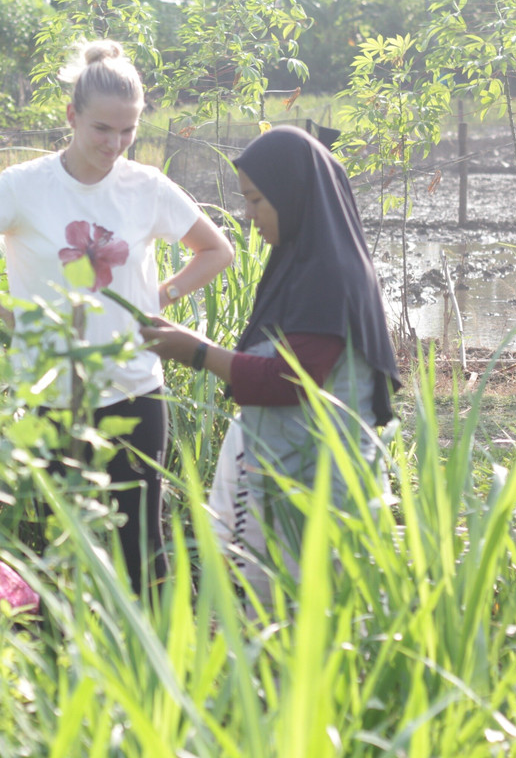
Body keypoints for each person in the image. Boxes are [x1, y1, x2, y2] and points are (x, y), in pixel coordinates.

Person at [0, 40, 233, 594]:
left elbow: (217, 250)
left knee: (144, 545)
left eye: (128, 130)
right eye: (101, 129)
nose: (115, 144)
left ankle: (148, 665)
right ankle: (64, 659)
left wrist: (163, 295)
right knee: (60, 544)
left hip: (135, 388)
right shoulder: (23, 186)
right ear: (70, 117)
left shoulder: (147, 187)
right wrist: (3, 307)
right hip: (50, 391)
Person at [140, 125, 400, 607]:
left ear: (294, 195)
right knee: (279, 612)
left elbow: (289, 380)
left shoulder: (331, 276)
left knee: (315, 612)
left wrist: (196, 351)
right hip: (288, 471)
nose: (248, 215)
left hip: (320, 486)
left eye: (257, 201)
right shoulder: (301, 264)